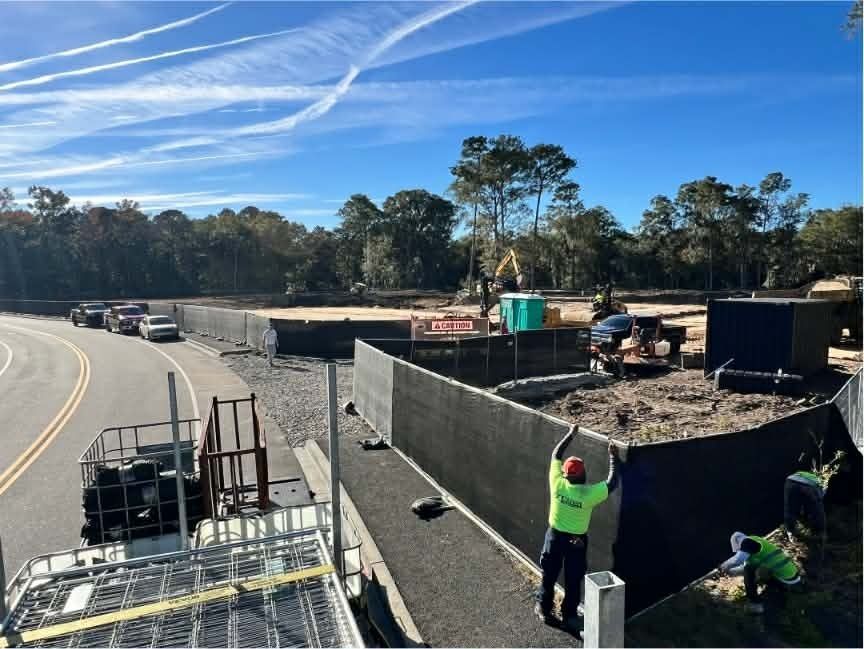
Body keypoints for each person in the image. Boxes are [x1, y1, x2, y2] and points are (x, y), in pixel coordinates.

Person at [534, 426, 620, 632]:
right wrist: (613, 457)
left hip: (553, 536)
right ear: (583, 475)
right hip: (576, 540)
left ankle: (543, 608)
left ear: (565, 475)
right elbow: (612, 482)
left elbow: (556, 454)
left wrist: (570, 434)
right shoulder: (588, 495)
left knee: (549, 573)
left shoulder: (557, 483)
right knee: (573, 578)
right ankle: (569, 615)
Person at [719, 532, 801, 614]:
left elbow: (738, 560)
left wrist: (723, 566)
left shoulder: (746, 543)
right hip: (793, 574)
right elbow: (743, 568)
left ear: (738, 543)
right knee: (751, 570)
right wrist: (730, 572)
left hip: (785, 578)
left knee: (750, 575)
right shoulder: (756, 541)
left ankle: (755, 604)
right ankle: (779, 588)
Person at [784, 468, 826, 542]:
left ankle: (790, 529)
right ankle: (818, 532)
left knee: (790, 507)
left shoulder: (804, 474)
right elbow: (818, 502)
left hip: (790, 480)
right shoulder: (818, 482)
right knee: (817, 509)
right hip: (809, 485)